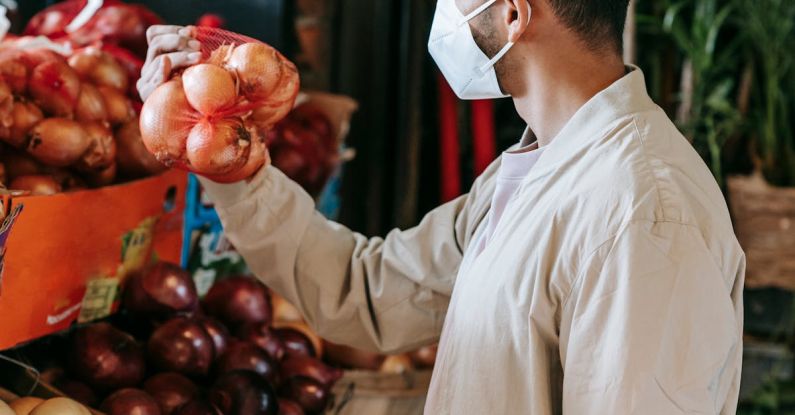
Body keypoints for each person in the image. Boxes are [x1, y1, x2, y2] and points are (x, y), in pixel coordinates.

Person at [139, 0, 745, 413]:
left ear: (513, 12)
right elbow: (367, 289)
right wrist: (226, 156)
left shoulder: (644, 212)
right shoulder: (542, 168)